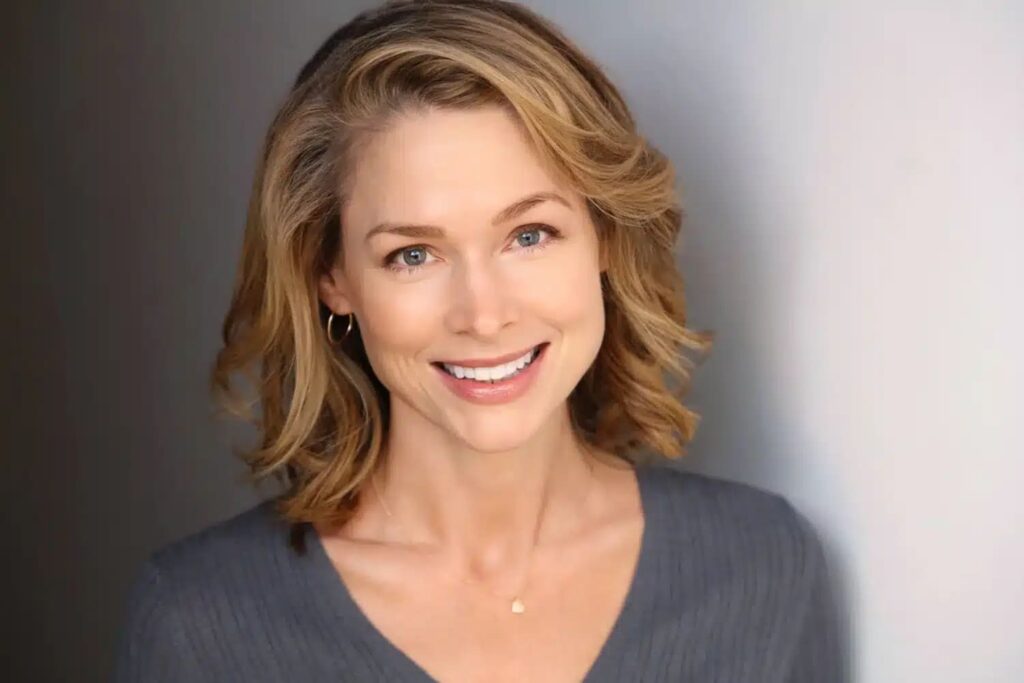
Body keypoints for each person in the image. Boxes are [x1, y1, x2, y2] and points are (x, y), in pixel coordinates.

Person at [112, 1, 844, 681]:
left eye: (530, 235)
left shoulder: (762, 568)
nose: (483, 315)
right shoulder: (199, 624)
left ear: (604, 238)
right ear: (332, 278)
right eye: (413, 254)